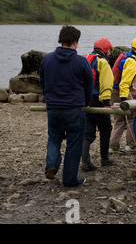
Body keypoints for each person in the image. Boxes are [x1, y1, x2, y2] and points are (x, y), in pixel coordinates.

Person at [39, 25, 93, 186]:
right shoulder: (81, 61)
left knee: (54, 137)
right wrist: (86, 103)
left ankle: (51, 165)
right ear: (75, 42)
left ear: (60, 40)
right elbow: (89, 85)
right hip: (74, 107)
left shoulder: (47, 59)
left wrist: (48, 98)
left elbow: (42, 82)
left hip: (53, 107)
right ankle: (70, 180)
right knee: (74, 142)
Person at [109, 37, 136, 153]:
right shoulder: (132, 62)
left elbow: (121, 77)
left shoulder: (125, 56)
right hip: (120, 92)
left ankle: (113, 146)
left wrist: (131, 87)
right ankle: (131, 145)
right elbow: (124, 83)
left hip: (113, 90)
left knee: (119, 120)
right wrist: (124, 98)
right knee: (133, 116)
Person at [81, 38, 115, 171]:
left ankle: (85, 161)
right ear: (105, 49)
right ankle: (105, 158)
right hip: (98, 99)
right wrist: (106, 104)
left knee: (88, 132)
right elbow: (106, 84)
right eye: (110, 51)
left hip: (84, 99)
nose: (110, 54)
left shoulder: (84, 59)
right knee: (106, 128)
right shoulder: (103, 62)